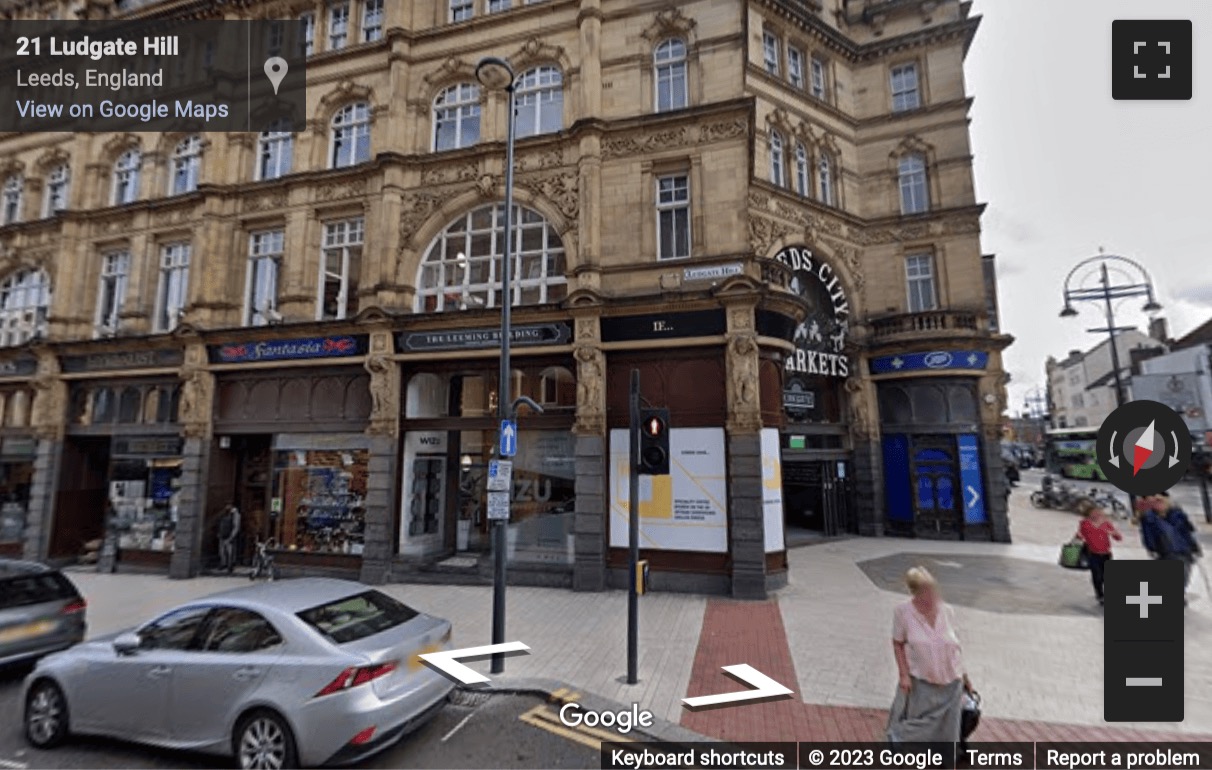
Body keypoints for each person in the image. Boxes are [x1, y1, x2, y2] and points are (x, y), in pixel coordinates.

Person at [888, 567, 973, 746]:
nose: (930, 595)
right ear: (914, 592)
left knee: (948, 731)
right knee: (923, 726)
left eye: (932, 589)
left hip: (951, 681)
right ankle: (899, 738)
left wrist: (965, 676)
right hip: (922, 681)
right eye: (924, 591)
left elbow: (955, 647)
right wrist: (903, 675)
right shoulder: (903, 612)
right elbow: (898, 643)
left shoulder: (947, 610)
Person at [1138, 494, 1201, 598]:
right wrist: (1151, 548)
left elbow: (1188, 531)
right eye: (1155, 502)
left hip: (1184, 550)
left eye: (1160, 501)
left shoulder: (1177, 514)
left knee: (1184, 575)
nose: (1159, 504)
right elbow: (1148, 535)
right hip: (1165, 552)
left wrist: (1194, 546)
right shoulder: (1149, 518)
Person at [1074, 497, 1122, 604]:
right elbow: (1080, 536)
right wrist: (1078, 537)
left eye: (1099, 512)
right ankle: (1100, 595)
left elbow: (1119, 538)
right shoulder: (1084, 523)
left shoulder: (1106, 523)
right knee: (1097, 576)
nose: (1098, 514)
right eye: (1095, 512)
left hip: (1106, 554)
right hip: (1093, 554)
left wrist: (1114, 533)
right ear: (1089, 514)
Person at [217, 503, 240, 573]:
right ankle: (223, 564)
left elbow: (236, 526)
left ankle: (230, 565)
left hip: (229, 536)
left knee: (230, 552)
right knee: (222, 551)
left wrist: (232, 536)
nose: (226, 507)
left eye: (228, 506)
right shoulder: (225, 514)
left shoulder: (235, 514)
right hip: (223, 535)